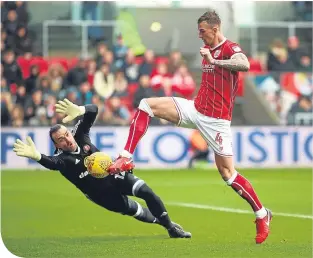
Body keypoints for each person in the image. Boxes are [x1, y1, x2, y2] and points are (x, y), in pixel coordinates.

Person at [108, 10, 272, 244]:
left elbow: (243, 64)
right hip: (195, 108)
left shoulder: (229, 48)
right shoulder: (206, 50)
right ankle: (125, 156)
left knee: (228, 174)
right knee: (146, 105)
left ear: (215, 29)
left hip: (217, 120)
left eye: (203, 31)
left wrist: (214, 61)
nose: (200, 36)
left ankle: (262, 214)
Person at [13, 99, 191, 239]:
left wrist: (81, 110)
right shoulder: (63, 159)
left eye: (66, 134)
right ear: (56, 144)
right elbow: (52, 163)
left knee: (147, 192)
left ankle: (170, 227)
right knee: (136, 211)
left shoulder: (80, 135)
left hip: (113, 175)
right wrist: (37, 156)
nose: (67, 139)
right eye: (61, 139)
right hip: (102, 195)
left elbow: (93, 111)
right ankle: (161, 222)